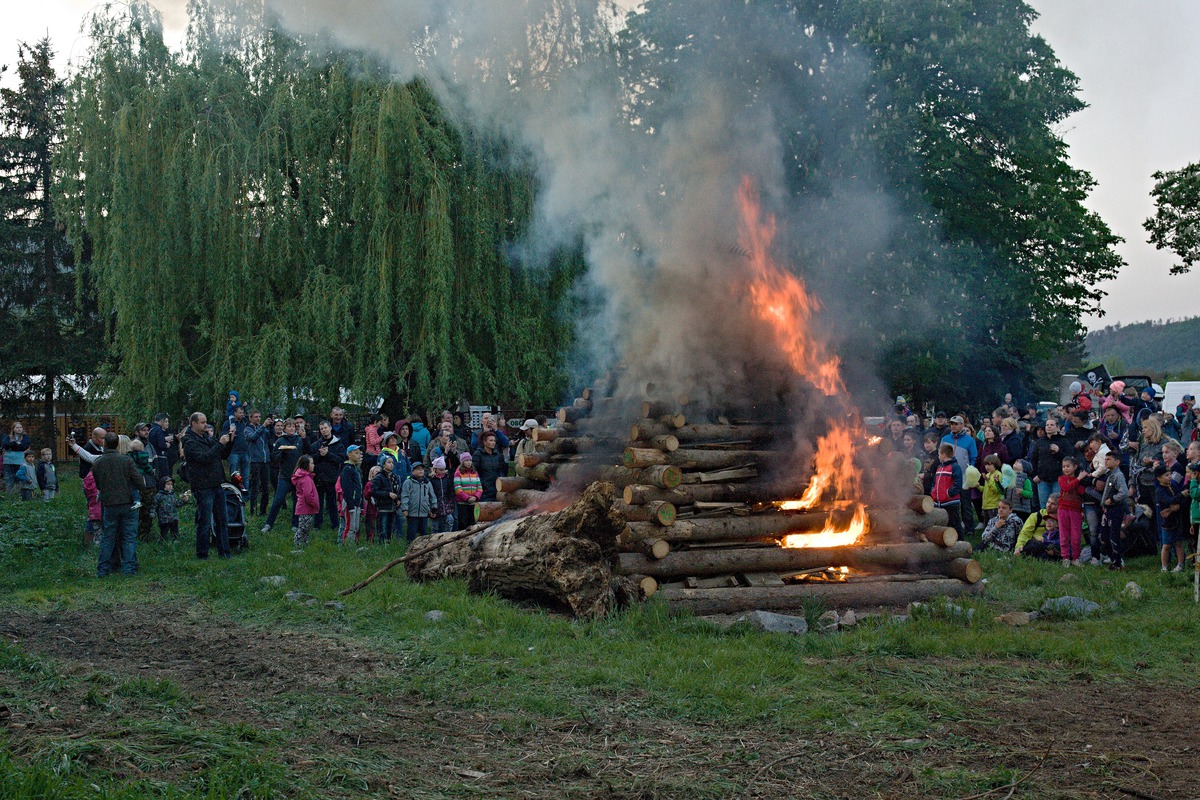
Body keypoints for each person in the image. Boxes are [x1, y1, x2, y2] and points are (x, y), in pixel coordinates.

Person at [91, 431, 146, 576]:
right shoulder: (126, 461)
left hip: (109, 504)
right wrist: (140, 491)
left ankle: (103, 569)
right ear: (117, 444)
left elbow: (98, 484)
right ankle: (128, 568)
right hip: (128, 502)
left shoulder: (98, 463)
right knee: (129, 537)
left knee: (108, 537)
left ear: (105, 444)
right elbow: (138, 480)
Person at [183, 412, 234, 560]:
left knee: (222, 520)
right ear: (194, 423)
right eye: (202, 422)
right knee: (204, 522)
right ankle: (202, 554)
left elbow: (221, 454)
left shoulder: (206, 437)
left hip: (216, 483)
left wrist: (229, 441)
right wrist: (220, 444)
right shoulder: (189, 442)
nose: (205, 425)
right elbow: (205, 458)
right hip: (203, 486)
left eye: (206, 422)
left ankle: (224, 552)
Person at [263, 419, 305, 533]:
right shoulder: (280, 441)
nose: (291, 428)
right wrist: (283, 453)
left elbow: (305, 453)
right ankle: (268, 523)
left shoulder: (299, 440)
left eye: (293, 427)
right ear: (285, 429)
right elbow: (275, 458)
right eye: (289, 427)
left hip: (298, 476)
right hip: (284, 476)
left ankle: (295, 524)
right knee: (278, 500)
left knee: (297, 501)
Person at [311, 420, 346, 530]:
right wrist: (320, 454)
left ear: (330, 428)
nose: (324, 430)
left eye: (325, 428)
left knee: (332, 503)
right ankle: (317, 525)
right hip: (318, 478)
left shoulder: (338, 444)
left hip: (332, 478)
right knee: (318, 502)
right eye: (321, 429)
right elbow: (311, 459)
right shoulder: (316, 444)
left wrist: (328, 454)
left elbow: (341, 460)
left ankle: (335, 525)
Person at [1098, 451, 1130, 570]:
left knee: (1113, 536)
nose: (1106, 461)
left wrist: (1112, 499)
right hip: (1108, 510)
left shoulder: (1118, 475)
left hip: (1115, 509)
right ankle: (1114, 559)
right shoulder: (1110, 474)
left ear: (1117, 462)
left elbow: (1124, 492)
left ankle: (1117, 562)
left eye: (1109, 459)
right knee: (1104, 536)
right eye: (1105, 459)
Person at [1153, 464, 1187, 572]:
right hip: (1167, 522)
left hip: (1177, 519)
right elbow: (1169, 500)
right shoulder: (1159, 490)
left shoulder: (1173, 486)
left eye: (1170, 474)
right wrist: (1181, 495)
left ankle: (1180, 564)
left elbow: (1179, 500)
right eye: (1166, 475)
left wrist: (1178, 504)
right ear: (1159, 478)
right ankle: (1164, 566)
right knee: (1166, 545)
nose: (1170, 477)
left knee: (1179, 543)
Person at [926, 443, 964, 536]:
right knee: (942, 526)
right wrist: (933, 491)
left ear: (943, 455)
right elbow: (935, 482)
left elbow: (958, 484)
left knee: (954, 524)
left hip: (950, 503)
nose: (938, 456)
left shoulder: (955, 467)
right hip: (938, 503)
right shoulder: (939, 467)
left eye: (939, 454)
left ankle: (960, 541)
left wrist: (948, 494)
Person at [1030, 417, 1066, 509]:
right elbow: (1034, 459)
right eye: (1047, 425)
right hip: (1042, 479)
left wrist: (1058, 452)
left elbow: (1069, 458)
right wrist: (1035, 474)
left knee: (1057, 505)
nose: (1049, 427)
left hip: (1058, 479)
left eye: (1052, 425)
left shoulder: (1063, 441)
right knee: (1044, 506)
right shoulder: (1040, 442)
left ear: (1057, 427)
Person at [1056, 455, 1086, 566]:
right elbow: (1066, 488)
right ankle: (1065, 557)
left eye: (1068, 466)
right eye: (1063, 466)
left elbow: (1082, 492)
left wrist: (1078, 480)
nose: (1065, 469)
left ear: (1075, 467)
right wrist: (1078, 479)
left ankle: (1075, 557)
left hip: (1075, 511)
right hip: (1063, 509)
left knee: (1076, 535)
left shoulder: (1079, 480)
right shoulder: (1061, 479)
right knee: (1064, 535)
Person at [400, 461, 436, 543]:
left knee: (423, 533)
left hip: (424, 512)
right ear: (413, 471)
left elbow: (432, 496)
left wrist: (434, 508)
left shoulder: (427, 483)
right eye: (418, 469)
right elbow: (405, 496)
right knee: (411, 533)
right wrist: (405, 509)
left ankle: (423, 548)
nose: (421, 471)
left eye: (422, 469)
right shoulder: (408, 482)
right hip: (412, 512)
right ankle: (410, 547)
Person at [246, 410, 272, 516]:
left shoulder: (263, 428)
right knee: (255, 487)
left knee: (266, 487)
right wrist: (263, 426)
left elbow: (270, 437)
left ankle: (263, 511)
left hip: (265, 460)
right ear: (250, 418)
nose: (258, 419)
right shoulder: (248, 429)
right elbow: (253, 437)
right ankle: (253, 510)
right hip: (255, 461)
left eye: (259, 416)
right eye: (256, 417)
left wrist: (271, 425)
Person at [291, 455, 319, 547]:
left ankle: (304, 546)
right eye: (312, 463)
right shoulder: (306, 479)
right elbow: (308, 495)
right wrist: (315, 503)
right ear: (306, 465)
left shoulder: (304, 477)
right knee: (303, 529)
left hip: (304, 507)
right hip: (306, 507)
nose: (314, 465)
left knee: (305, 529)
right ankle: (298, 546)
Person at [371, 457, 401, 544]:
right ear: (383, 464)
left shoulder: (394, 477)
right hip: (383, 507)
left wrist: (398, 499)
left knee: (390, 529)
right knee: (382, 528)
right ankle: (382, 545)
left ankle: (388, 544)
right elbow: (375, 491)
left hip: (393, 507)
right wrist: (388, 494)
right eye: (389, 462)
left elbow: (398, 490)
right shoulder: (378, 477)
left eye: (392, 462)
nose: (391, 464)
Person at [339, 445, 364, 545]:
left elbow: (360, 487)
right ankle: (347, 546)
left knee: (356, 527)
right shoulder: (347, 469)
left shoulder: (357, 469)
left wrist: (361, 504)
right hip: (351, 503)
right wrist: (350, 505)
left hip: (357, 502)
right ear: (349, 455)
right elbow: (346, 488)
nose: (359, 455)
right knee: (350, 526)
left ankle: (354, 545)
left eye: (359, 453)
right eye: (356, 453)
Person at [473, 431, 506, 502]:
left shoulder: (498, 454)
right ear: (484, 442)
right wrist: (482, 483)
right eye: (491, 440)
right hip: (484, 490)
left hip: (497, 488)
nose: (493, 442)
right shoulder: (478, 454)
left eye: (494, 441)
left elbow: (502, 469)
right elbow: (474, 471)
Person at [152, 476, 187, 542]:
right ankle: (163, 542)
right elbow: (154, 505)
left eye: (171, 484)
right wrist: (153, 513)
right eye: (168, 484)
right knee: (164, 532)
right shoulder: (159, 496)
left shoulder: (173, 495)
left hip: (173, 517)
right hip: (164, 518)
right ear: (163, 485)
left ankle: (175, 541)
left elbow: (176, 504)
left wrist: (183, 501)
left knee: (175, 531)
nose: (170, 486)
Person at [454, 452, 482, 530]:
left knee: (473, 523)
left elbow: (479, 487)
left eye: (470, 460)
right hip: (462, 504)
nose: (469, 462)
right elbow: (457, 488)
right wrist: (467, 498)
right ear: (462, 462)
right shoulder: (458, 473)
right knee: (463, 524)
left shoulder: (475, 473)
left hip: (473, 503)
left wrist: (475, 497)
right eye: (466, 460)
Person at [226, 405, 250, 498]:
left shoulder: (245, 423)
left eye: (243, 412)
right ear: (235, 413)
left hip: (245, 451)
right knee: (234, 475)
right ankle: (234, 494)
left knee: (246, 475)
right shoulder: (229, 423)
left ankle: (245, 495)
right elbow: (224, 436)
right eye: (240, 412)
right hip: (234, 452)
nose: (242, 414)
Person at [429, 456, 457, 534]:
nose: (442, 471)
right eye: (440, 470)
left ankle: (447, 535)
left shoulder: (447, 479)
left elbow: (450, 492)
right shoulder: (431, 480)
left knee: (450, 520)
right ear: (435, 469)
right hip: (436, 504)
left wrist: (451, 505)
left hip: (446, 503)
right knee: (436, 525)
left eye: (443, 469)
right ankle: (435, 538)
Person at [2, 422, 31, 493]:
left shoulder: (25, 437)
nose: (19, 429)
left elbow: (25, 446)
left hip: (20, 462)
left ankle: (20, 495)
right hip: (8, 462)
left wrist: (12, 445)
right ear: (13, 429)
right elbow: (5, 445)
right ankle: (9, 495)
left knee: (20, 479)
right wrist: (17, 444)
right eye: (17, 427)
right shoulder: (8, 437)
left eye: (20, 427)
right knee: (9, 480)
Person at [979, 454, 1003, 523]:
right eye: (985, 465)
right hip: (985, 505)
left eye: (989, 465)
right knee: (987, 525)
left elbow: (996, 490)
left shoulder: (998, 475)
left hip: (994, 505)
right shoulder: (988, 475)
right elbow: (985, 490)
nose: (987, 467)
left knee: (994, 524)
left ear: (995, 464)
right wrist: (978, 486)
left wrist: (988, 480)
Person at [82, 469, 101, 546]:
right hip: (102, 511)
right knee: (100, 532)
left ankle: (87, 545)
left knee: (91, 525)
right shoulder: (102, 478)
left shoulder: (87, 479)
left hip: (93, 510)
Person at [363, 465, 381, 543]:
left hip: (380, 507)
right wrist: (371, 491)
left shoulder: (382, 483)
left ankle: (380, 539)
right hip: (371, 508)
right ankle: (370, 539)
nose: (378, 473)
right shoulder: (369, 484)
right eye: (376, 472)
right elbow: (366, 496)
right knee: (370, 524)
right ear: (372, 474)